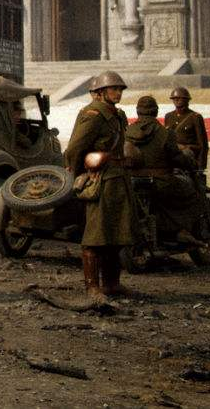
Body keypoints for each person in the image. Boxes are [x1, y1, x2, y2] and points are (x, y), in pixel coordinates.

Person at [64, 71, 137, 301]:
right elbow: (75, 148)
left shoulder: (118, 115)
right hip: (101, 181)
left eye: (120, 89)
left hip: (118, 180)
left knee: (116, 234)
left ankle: (112, 284)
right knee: (95, 236)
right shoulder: (93, 114)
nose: (118, 93)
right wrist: (79, 174)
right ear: (100, 92)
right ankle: (92, 288)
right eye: (114, 89)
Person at [126, 95, 204, 245]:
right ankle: (182, 229)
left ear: (138, 112)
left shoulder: (128, 131)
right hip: (161, 182)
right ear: (155, 112)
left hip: (133, 182)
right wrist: (189, 162)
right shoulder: (165, 133)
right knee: (191, 194)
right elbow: (176, 158)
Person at [165, 86, 208, 188]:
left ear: (187, 100)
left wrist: (201, 168)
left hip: (189, 155)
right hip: (173, 155)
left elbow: (203, 144)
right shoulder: (169, 116)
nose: (178, 101)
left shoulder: (195, 117)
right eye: (175, 99)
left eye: (181, 98)